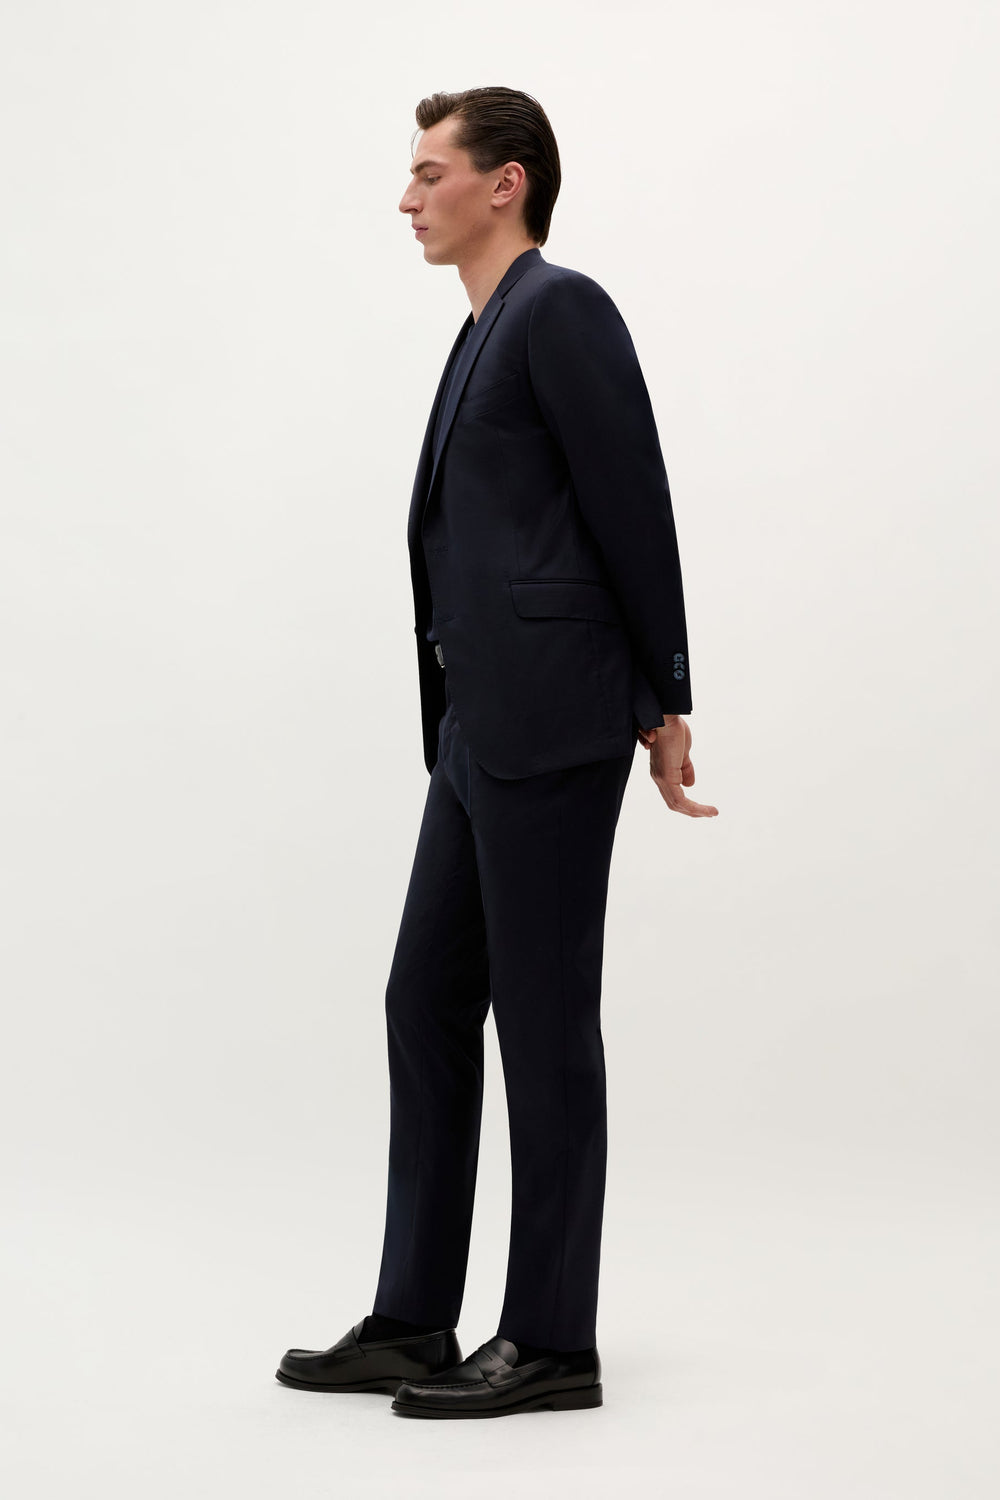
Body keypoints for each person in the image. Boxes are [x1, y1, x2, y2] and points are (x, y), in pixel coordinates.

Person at [276, 85, 718, 1420]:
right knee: (424, 1000)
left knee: (542, 1018)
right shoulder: (483, 330)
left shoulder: (561, 310)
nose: (409, 197)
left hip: (557, 716)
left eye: (431, 172)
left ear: (505, 181)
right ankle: (415, 1317)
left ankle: (551, 1338)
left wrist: (666, 698)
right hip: (476, 722)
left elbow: (633, 503)